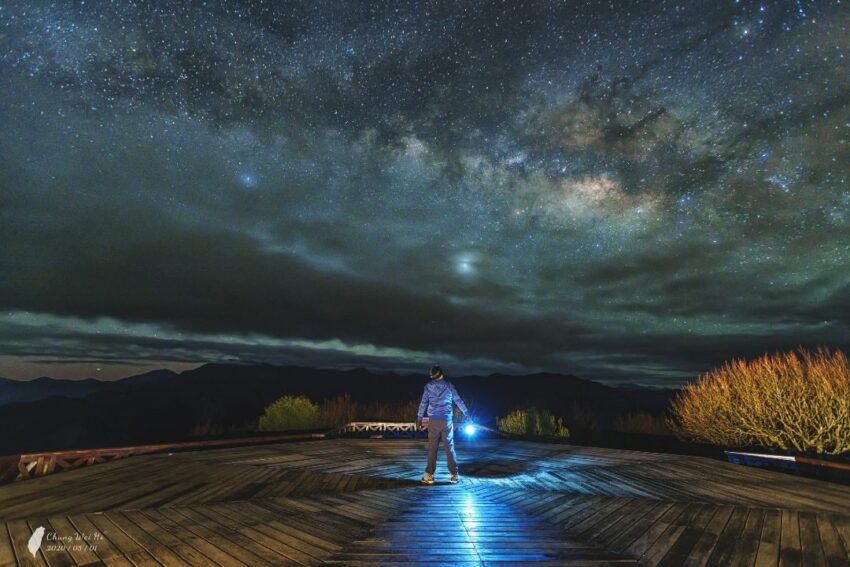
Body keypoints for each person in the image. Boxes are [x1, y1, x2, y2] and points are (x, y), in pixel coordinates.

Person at [417, 365, 469, 484]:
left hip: (433, 420)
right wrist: (467, 414)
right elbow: (458, 400)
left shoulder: (428, 387)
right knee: (449, 447)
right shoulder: (449, 386)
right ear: (442, 374)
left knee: (432, 448)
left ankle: (429, 475)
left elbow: (423, 403)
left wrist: (419, 418)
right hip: (446, 420)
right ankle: (454, 475)